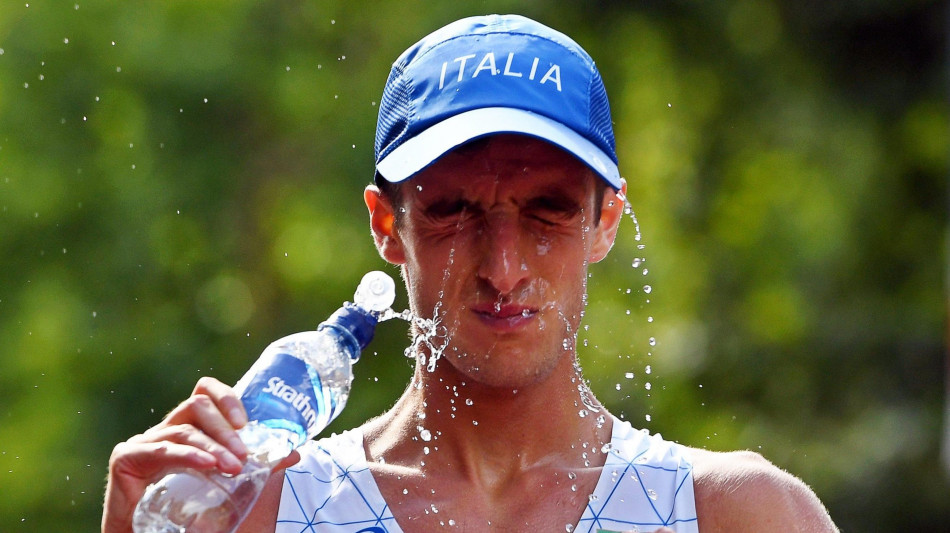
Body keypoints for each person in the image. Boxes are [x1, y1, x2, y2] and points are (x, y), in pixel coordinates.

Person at [103, 14, 839, 533]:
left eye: (546, 211)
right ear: (387, 225)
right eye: (454, 211)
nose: (503, 267)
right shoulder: (252, 512)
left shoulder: (739, 514)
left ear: (606, 221)